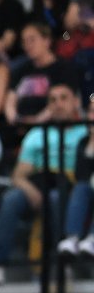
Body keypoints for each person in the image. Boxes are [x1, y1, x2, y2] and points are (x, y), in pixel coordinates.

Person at [0, 82, 90, 285]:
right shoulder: (36, 134)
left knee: (55, 199)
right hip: (37, 184)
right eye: (52, 100)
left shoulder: (85, 132)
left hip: (71, 186)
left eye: (64, 98)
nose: (58, 104)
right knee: (11, 200)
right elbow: (18, 174)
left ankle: (62, 265)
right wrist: (30, 190)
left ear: (76, 102)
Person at [6, 22, 83, 125]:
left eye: (32, 40)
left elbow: (63, 100)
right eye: (24, 41)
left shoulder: (64, 68)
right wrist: (15, 119)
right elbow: (10, 100)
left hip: (50, 126)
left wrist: (37, 121)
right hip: (19, 126)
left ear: (47, 41)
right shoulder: (21, 69)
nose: (28, 45)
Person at [59, 99, 94, 256]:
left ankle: (92, 239)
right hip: (89, 187)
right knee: (80, 188)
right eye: (92, 112)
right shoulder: (84, 141)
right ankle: (72, 239)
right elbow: (81, 174)